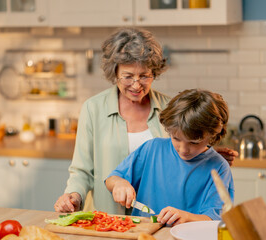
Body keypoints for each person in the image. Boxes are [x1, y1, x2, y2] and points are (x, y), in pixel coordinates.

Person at [54, 27, 237, 215]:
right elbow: (82, 170)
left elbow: (181, 149)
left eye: (144, 76)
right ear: (114, 73)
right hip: (108, 216)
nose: (136, 84)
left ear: (154, 73)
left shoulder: (170, 108)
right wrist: (73, 196)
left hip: (160, 221)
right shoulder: (93, 108)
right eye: (128, 76)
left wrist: (206, 154)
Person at [105, 89, 234, 225]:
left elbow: (216, 219)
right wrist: (119, 184)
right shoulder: (152, 148)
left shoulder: (219, 167)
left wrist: (186, 217)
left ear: (213, 135)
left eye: (194, 142)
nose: (183, 149)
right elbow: (112, 179)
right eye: (176, 138)